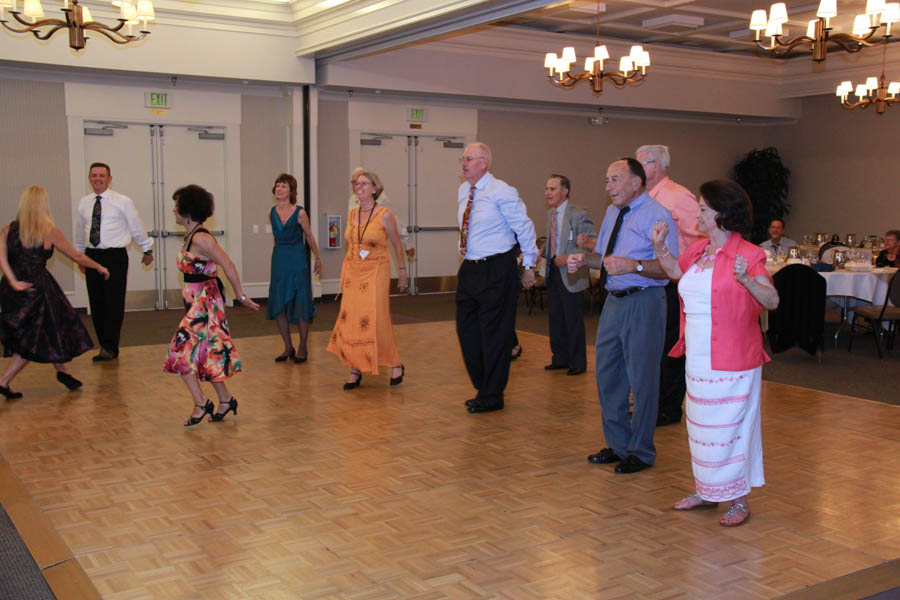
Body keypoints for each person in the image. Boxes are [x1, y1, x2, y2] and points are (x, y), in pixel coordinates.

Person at [651, 179, 779, 527]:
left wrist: (748, 281)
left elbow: (772, 300)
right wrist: (661, 247)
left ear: (723, 214)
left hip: (734, 359)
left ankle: (738, 500)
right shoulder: (699, 250)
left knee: (731, 430)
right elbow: (679, 274)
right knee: (701, 427)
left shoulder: (749, 255)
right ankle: (707, 490)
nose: (699, 213)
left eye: (704, 208)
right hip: (699, 355)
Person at [568, 158, 677, 474]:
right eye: (607, 180)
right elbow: (604, 258)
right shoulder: (613, 212)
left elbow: (670, 269)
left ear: (636, 182)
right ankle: (618, 444)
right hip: (614, 302)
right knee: (608, 374)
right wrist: (581, 260)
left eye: (615, 180)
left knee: (642, 379)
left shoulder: (658, 216)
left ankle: (641, 451)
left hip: (644, 301)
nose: (609, 187)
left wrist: (634, 265)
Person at [163, 185, 260, 426]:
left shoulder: (201, 238)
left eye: (177, 205)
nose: (173, 209)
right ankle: (225, 399)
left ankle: (200, 402)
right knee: (207, 352)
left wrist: (241, 296)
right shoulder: (191, 234)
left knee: (179, 352)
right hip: (197, 302)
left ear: (187, 210)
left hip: (206, 305)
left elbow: (228, 265)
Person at [0, 185, 110, 398]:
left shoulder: (8, 229)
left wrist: (13, 282)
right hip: (37, 289)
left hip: (12, 290)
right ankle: (3, 382)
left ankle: (63, 372)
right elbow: (76, 257)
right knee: (31, 340)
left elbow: (2, 259)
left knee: (50, 328)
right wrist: (98, 266)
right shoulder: (49, 231)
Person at [456, 142, 538, 414]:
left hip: (497, 268)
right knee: (466, 331)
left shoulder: (501, 191)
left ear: (484, 162)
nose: (464, 163)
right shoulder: (463, 191)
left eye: (469, 159)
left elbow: (524, 227)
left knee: (494, 334)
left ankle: (492, 394)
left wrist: (528, 265)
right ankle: (484, 386)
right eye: (463, 159)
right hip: (470, 268)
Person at [636, 144, 701, 427]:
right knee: (651, 345)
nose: (638, 170)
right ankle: (651, 402)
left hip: (674, 281)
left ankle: (669, 406)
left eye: (643, 164)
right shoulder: (643, 197)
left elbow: (698, 238)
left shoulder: (679, 196)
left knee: (670, 345)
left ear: (658, 165)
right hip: (648, 279)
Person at [327, 170, 408, 389]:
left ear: (374, 188)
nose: (358, 187)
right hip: (354, 272)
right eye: (356, 183)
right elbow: (352, 244)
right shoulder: (352, 214)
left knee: (376, 319)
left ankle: (395, 363)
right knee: (353, 319)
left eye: (364, 183)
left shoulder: (384, 215)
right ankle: (355, 368)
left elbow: (397, 245)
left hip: (376, 271)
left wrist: (402, 271)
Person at [74, 162, 154, 362]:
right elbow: (80, 232)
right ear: (89, 178)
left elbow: (136, 226)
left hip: (114, 257)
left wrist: (147, 249)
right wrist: (80, 256)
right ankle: (104, 345)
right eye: (94, 175)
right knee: (97, 301)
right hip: (92, 256)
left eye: (102, 175)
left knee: (113, 302)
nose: (97, 179)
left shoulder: (123, 201)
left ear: (109, 179)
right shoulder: (84, 203)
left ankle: (110, 346)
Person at [267, 173, 322, 363]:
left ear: (291, 190)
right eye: (277, 185)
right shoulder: (271, 212)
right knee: (279, 303)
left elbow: (308, 236)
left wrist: (317, 258)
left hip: (297, 259)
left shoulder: (300, 212)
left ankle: (303, 346)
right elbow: (276, 238)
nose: (279, 189)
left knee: (300, 302)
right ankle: (288, 347)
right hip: (280, 260)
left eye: (283, 186)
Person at [543, 174, 594, 376]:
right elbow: (552, 242)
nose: (548, 193)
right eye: (547, 189)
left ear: (565, 191)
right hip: (553, 271)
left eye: (553, 189)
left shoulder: (578, 214)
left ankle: (578, 362)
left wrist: (568, 256)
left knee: (572, 318)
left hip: (571, 271)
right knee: (555, 317)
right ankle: (560, 358)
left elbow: (589, 243)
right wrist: (541, 253)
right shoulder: (550, 215)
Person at [349, 167, 415, 262]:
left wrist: (407, 244)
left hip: (375, 251)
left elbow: (395, 221)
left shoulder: (381, 199)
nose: (357, 185)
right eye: (354, 182)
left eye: (362, 182)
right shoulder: (352, 200)